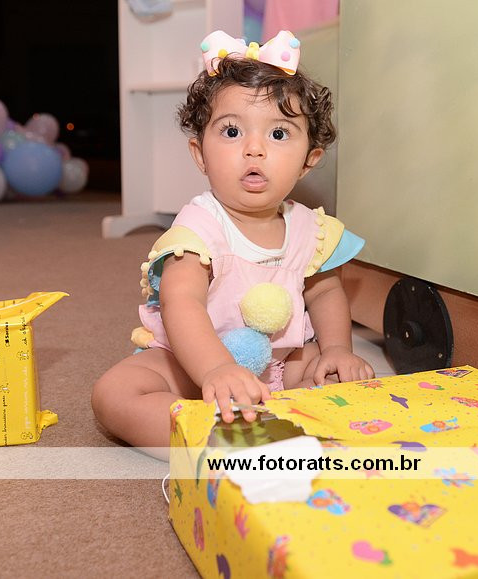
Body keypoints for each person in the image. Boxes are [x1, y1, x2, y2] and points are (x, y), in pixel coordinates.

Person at [91, 30, 374, 460]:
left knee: (339, 381)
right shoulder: (198, 228)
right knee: (115, 393)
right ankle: (210, 440)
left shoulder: (310, 229)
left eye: (278, 134)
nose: (254, 149)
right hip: (192, 363)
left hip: (281, 362)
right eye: (232, 131)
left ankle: (280, 427)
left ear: (308, 161)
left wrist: (336, 350)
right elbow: (182, 302)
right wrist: (216, 369)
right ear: (200, 154)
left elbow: (325, 292)